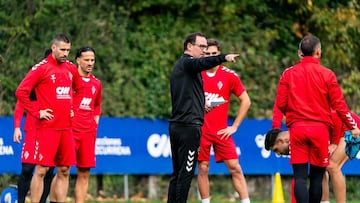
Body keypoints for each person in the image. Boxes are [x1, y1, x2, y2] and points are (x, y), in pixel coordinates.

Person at [273, 34, 360, 203]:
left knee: (305, 175)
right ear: (318, 52)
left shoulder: (288, 73)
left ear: (299, 53)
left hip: (310, 128)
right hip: (321, 130)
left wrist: (290, 117)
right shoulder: (327, 74)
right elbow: (339, 105)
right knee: (319, 173)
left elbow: (280, 103)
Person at [168, 32, 239, 203]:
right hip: (189, 129)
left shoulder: (182, 67)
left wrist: (201, 106)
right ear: (189, 47)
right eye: (201, 47)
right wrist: (224, 57)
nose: (204, 51)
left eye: (206, 47)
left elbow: (186, 97)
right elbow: (203, 62)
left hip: (178, 125)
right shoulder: (189, 63)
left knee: (177, 175)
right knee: (185, 175)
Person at [15, 34, 78, 203]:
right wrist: (37, 111)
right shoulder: (41, 68)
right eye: (63, 50)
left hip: (66, 128)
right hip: (47, 128)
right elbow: (21, 92)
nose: (66, 53)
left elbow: (78, 89)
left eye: (68, 50)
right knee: (41, 170)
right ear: (54, 48)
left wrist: (73, 107)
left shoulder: (71, 68)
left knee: (64, 170)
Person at [197, 39, 251, 203]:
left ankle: (246, 201)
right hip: (201, 131)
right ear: (203, 55)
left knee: (235, 168)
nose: (211, 57)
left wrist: (234, 126)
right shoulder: (196, 74)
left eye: (214, 54)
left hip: (221, 131)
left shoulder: (229, 76)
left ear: (219, 54)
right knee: (203, 168)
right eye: (207, 54)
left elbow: (246, 101)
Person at [265, 110, 360, 203]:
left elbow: (337, 115)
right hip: (342, 131)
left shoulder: (300, 127)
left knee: (332, 166)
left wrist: (334, 143)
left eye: (276, 150)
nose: (278, 154)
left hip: (350, 127)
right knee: (319, 167)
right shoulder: (297, 141)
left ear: (280, 141)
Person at [13, 49, 55, 203]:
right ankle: (20, 200)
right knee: (27, 169)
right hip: (32, 130)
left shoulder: (62, 79)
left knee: (49, 171)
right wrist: (17, 127)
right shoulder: (36, 77)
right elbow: (20, 103)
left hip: (51, 131)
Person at [72, 46, 102, 203]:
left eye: (92, 60)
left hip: (88, 133)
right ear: (78, 60)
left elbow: (97, 105)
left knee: (84, 173)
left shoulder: (96, 83)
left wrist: (95, 121)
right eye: (87, 60)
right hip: (70, 131)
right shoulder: (70, 79)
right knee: (62, 170)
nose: (90, 63)